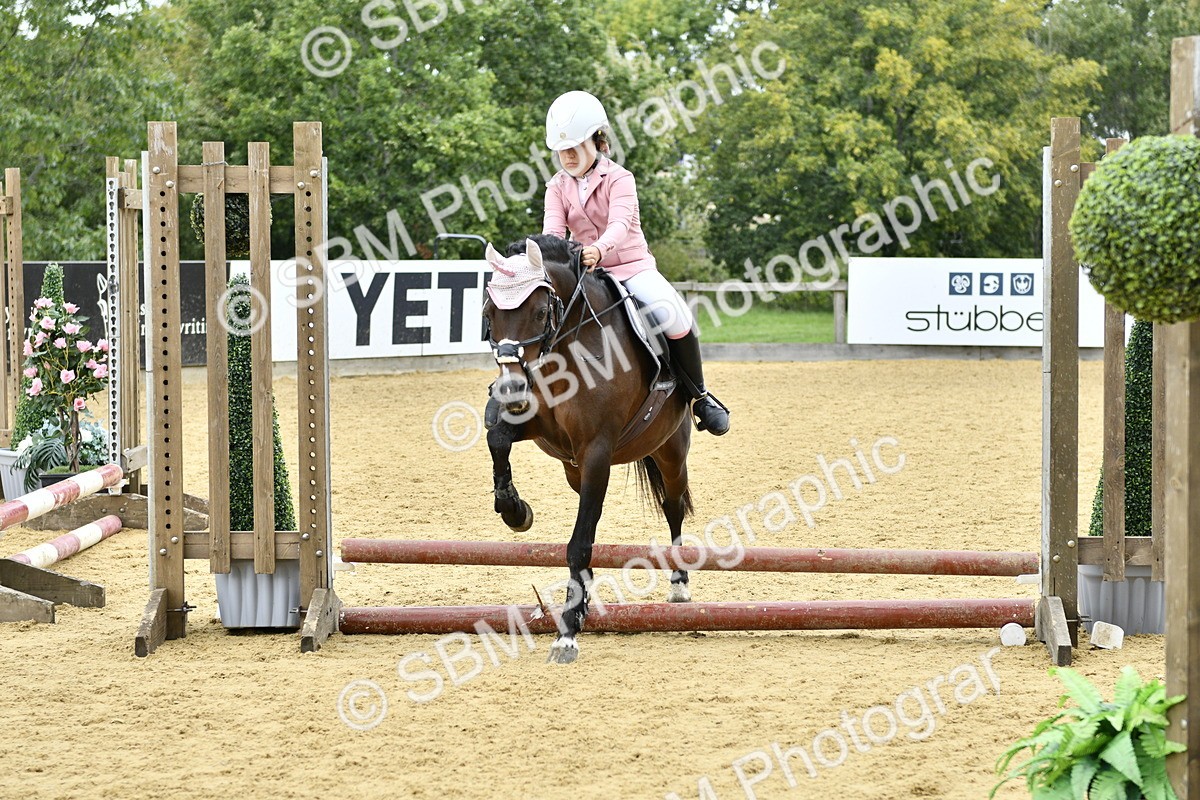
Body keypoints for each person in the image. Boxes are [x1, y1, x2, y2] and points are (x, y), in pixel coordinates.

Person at [486, 90, 729, 436]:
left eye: (574, 147)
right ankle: (518, 388)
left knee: (676, 318)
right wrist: (538, 260)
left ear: (596, 141)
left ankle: (698, 397)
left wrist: (598, 249)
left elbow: (620, 224)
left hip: (630, 268)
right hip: (582, 273)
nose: (567, 156)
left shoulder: (620, 178)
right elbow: (553, 234)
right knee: (539, 317)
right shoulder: (556, 186)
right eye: (561, 150)